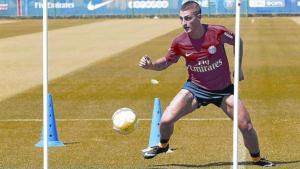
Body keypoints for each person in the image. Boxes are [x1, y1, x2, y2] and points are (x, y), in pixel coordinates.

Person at [138, 1, 275, 167]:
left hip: (223, 91)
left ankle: (257, 159)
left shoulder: (217, 32)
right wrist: (151, 65)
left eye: (188, 18)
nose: (184, 23)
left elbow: (238, 41)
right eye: (181, 19)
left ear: (199, 17)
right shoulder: (179, 42)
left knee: (246, 126)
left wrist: (237, 68)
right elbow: (166, 62)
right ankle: (162, 146)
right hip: (195, 89)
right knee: (166, 121)